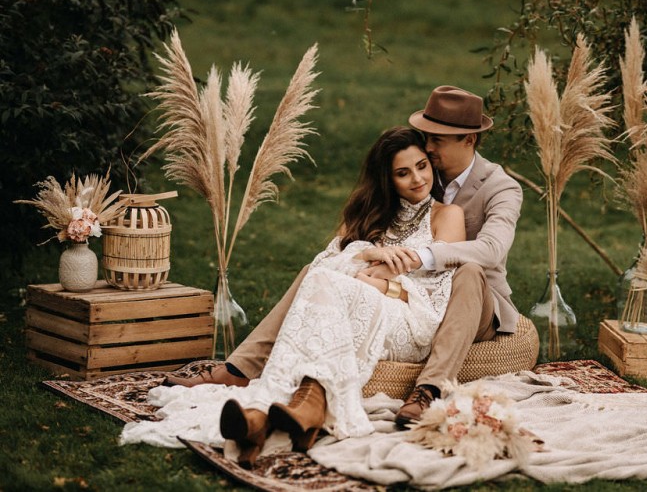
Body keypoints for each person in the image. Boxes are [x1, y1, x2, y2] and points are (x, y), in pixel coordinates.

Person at [166, 85, 535, 429]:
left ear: (468, 139)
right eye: (426, 141)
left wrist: (416, 258)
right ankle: (241, 367)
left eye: (436, 141)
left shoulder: (500, 187)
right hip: (405, 292)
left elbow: (491, 250)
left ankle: (430, 390)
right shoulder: (423, 171)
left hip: (477, 301)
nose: (428, 148)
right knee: (317, 272)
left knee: (468, 270)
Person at [120, 127, 465, 467]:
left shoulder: (448, 216)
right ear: (387, 180)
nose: (418, 178)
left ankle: (250, 387)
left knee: (322, 284)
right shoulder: (370, 214)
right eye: (403, 173)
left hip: (411, 323)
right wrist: (366, 257)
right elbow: (324, 264)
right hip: (353, 302)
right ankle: (285, 411)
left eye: (422, 165)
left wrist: (381, 285)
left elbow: (439, 291)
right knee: (318, 278)